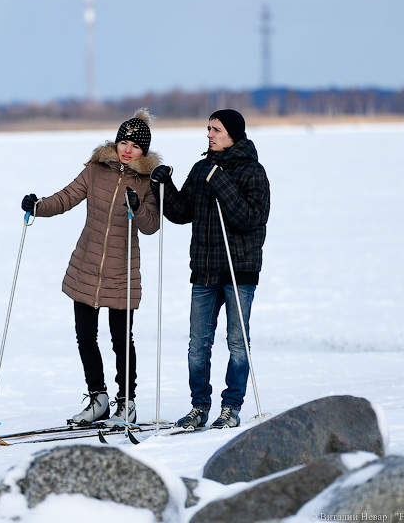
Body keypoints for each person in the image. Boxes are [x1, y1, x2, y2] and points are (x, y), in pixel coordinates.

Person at [21, 108, 161, 426]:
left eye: (135, 146)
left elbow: (151, 225)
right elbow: (67, 197)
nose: (128, 149)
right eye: (124, 141)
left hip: (121, 271)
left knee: (121, 339)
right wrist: (38, 205)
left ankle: (127, 403)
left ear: (144, 151)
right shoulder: (96, 170)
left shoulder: (146, 182)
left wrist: (137, 208)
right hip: (86, 266)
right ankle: (98, 399)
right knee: (85, 336)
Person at [150, 109, 270, 429]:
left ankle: (231, 407)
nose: (209, 134)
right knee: (197, 346)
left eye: (216, 129)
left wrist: (219, 179)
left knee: (236, 343)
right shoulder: (202, 168)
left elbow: (249, 218)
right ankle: (199, 407)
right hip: (204, 272)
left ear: (233, 134)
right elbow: (181, 212)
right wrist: (163, 188)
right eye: (208, 128)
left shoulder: (252, 172)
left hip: (238, 272)